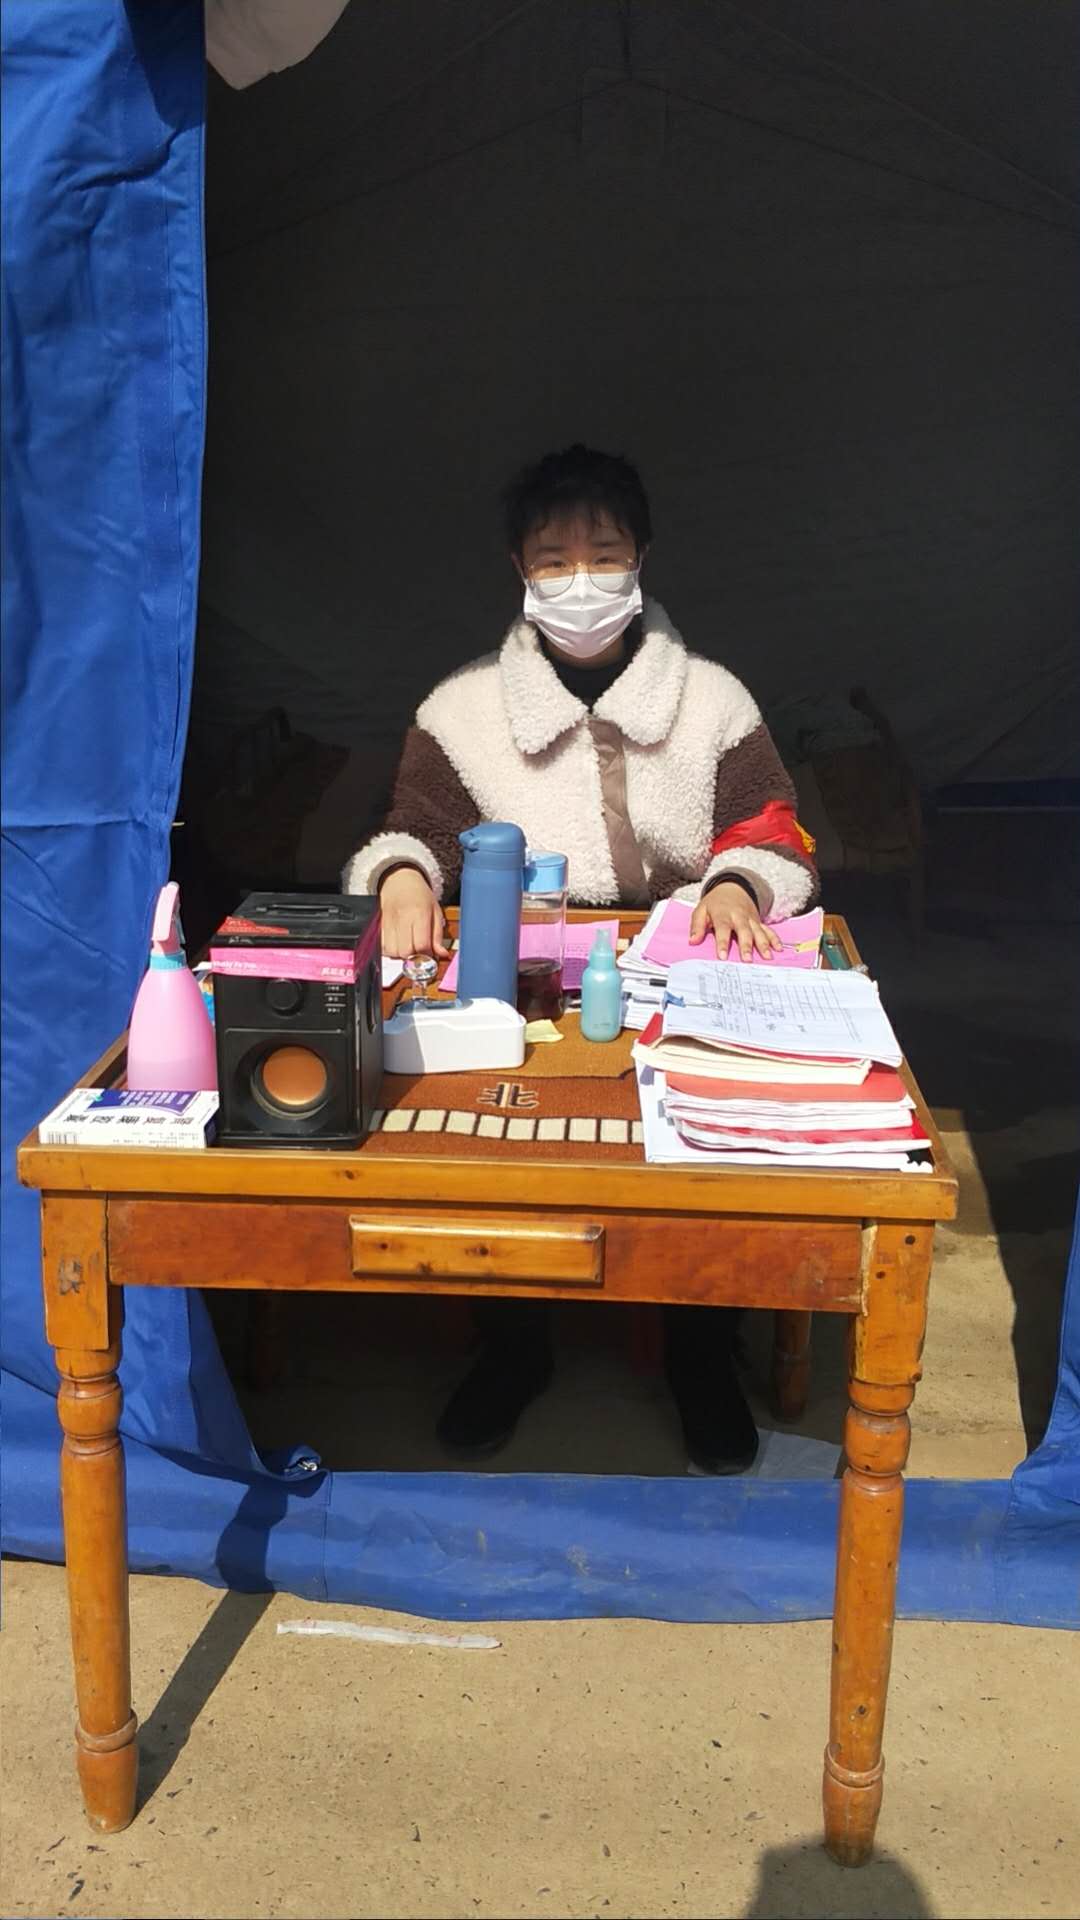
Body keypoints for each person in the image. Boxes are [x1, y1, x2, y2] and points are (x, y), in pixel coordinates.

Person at [344, 445, 819, 1472]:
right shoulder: (460, 709)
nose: (581, 579)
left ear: (641, 557)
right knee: (493, 1140)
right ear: (519, 569)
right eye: (554, 560)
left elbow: (773, 831)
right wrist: (402, 876)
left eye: (603, 553)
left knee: (708, 1146)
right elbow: (411, 826)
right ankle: (513, 1348)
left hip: (683, 958)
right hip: (516, 966)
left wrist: (739, 886)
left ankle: (701, 1350)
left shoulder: (715, 700)